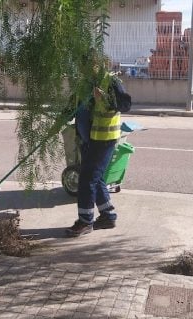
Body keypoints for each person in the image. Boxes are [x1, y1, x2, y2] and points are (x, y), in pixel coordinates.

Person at [66, 52, 121, 237]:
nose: (84, 71)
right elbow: (72, 106)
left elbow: (125, 103)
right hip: (88, 139)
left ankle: (85, 221)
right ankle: (108, 216)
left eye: (88, 67)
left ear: (97, 65)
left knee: (87, 179)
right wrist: (61, 118)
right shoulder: (84, 84)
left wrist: (104, 98)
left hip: (103, 139)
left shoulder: (110, 82)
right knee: (95, 179)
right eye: (82, 68)